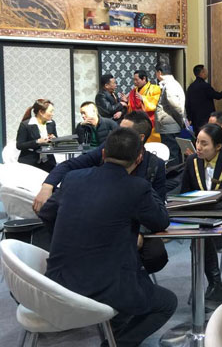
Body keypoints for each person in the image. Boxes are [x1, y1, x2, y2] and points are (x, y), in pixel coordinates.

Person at [39, 127, 176, 347]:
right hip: (106, 286)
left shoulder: (73, 179)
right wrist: (144, 184)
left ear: (103, 153)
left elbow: (47, 214)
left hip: (58, 282)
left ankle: (114, 329)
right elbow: (161, 221)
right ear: (139, 159)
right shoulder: (137, 187)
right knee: (167, 303)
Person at [33, 111, 169, 274]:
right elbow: (70, 165)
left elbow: (158, 210)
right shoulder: (108, 149)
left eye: (124, 131)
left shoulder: (154, 166)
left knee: (155, 255)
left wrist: (139, 233)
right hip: (97, 221)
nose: (118, 134)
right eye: (118, 129)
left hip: (136, 224)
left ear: (140, 138)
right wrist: (47, 186)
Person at [181, 123, 222, 308]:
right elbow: (184, 193)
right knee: (202, 238)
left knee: (202, 240)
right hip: (202, 222)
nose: (198, 147)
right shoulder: (192, 161)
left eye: (204, 143)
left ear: (218, 146)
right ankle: (215, 284)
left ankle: (214, 284)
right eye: (197, 142)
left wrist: (217, 205)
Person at [155, 63, 186, 166]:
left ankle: (173, 175)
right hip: (171, 124)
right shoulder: (172, 83)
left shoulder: (169, 85)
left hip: (170, 126)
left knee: (171, 154)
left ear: (159, 73)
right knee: (174, 152)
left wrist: (181, 118)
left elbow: (175, 105)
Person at [16, 99, 57, 172]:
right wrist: (37, 141)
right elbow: (19, 145)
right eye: (51, 111)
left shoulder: (51, 123)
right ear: (41, 112)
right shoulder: (25, 125)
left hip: (48, 162)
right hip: (29, 163)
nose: (52, 114)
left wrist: (54, 139)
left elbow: (55, 141)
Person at [186, 64, 222, 135]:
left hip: (195, 119)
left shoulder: (190, 87)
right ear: (202, 72)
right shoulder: (205, 86)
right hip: (206, 118)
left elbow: (187, 104)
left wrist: (189, 118)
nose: (207, 73)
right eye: (205, 71)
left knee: (198, 136)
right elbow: (217, 96)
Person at [128, 69, 162, 142]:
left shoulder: (155, 88)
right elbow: (131, 106)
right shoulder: (133, 91)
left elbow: (157, 101)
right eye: (134, 80)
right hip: (136, 121)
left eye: (136, 80)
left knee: (152, 142)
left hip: (151, 121)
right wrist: (126, 101)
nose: (135, 82)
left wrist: (143, 98)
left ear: (144, 78)